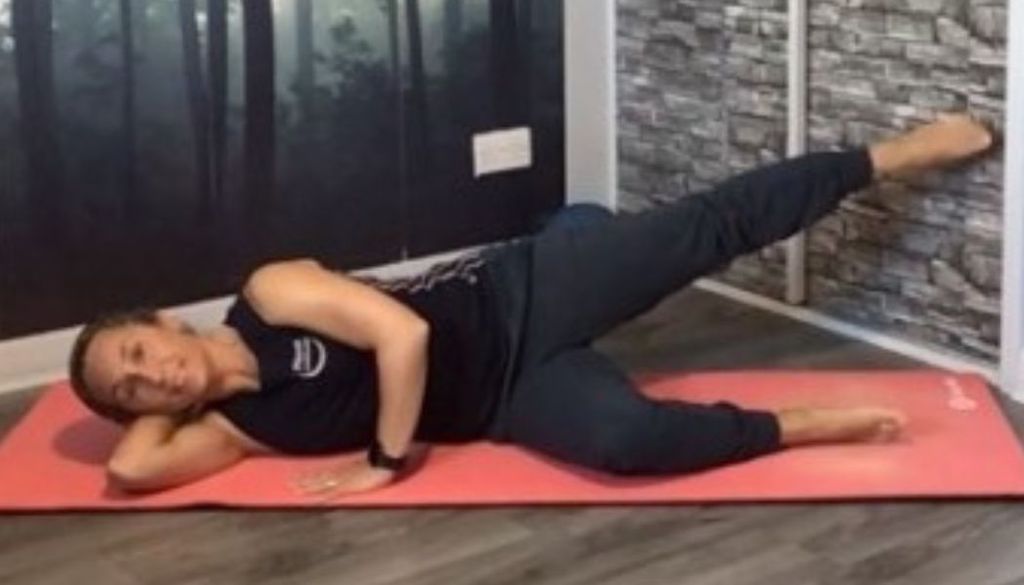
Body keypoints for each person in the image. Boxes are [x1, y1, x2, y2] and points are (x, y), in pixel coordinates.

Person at [68, 114, 994, 496]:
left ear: (161, 319)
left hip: (517, 290)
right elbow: (130, 469)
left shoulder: (268, 295)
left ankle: (894, 155)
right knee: (625, 443)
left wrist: (385, 460)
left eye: (137, 350)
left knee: (707, 228)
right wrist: (159, 400)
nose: (148, 377)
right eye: (129, 389)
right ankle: (797, 426)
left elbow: (402, 333)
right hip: (508, 399)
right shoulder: (238, 431)